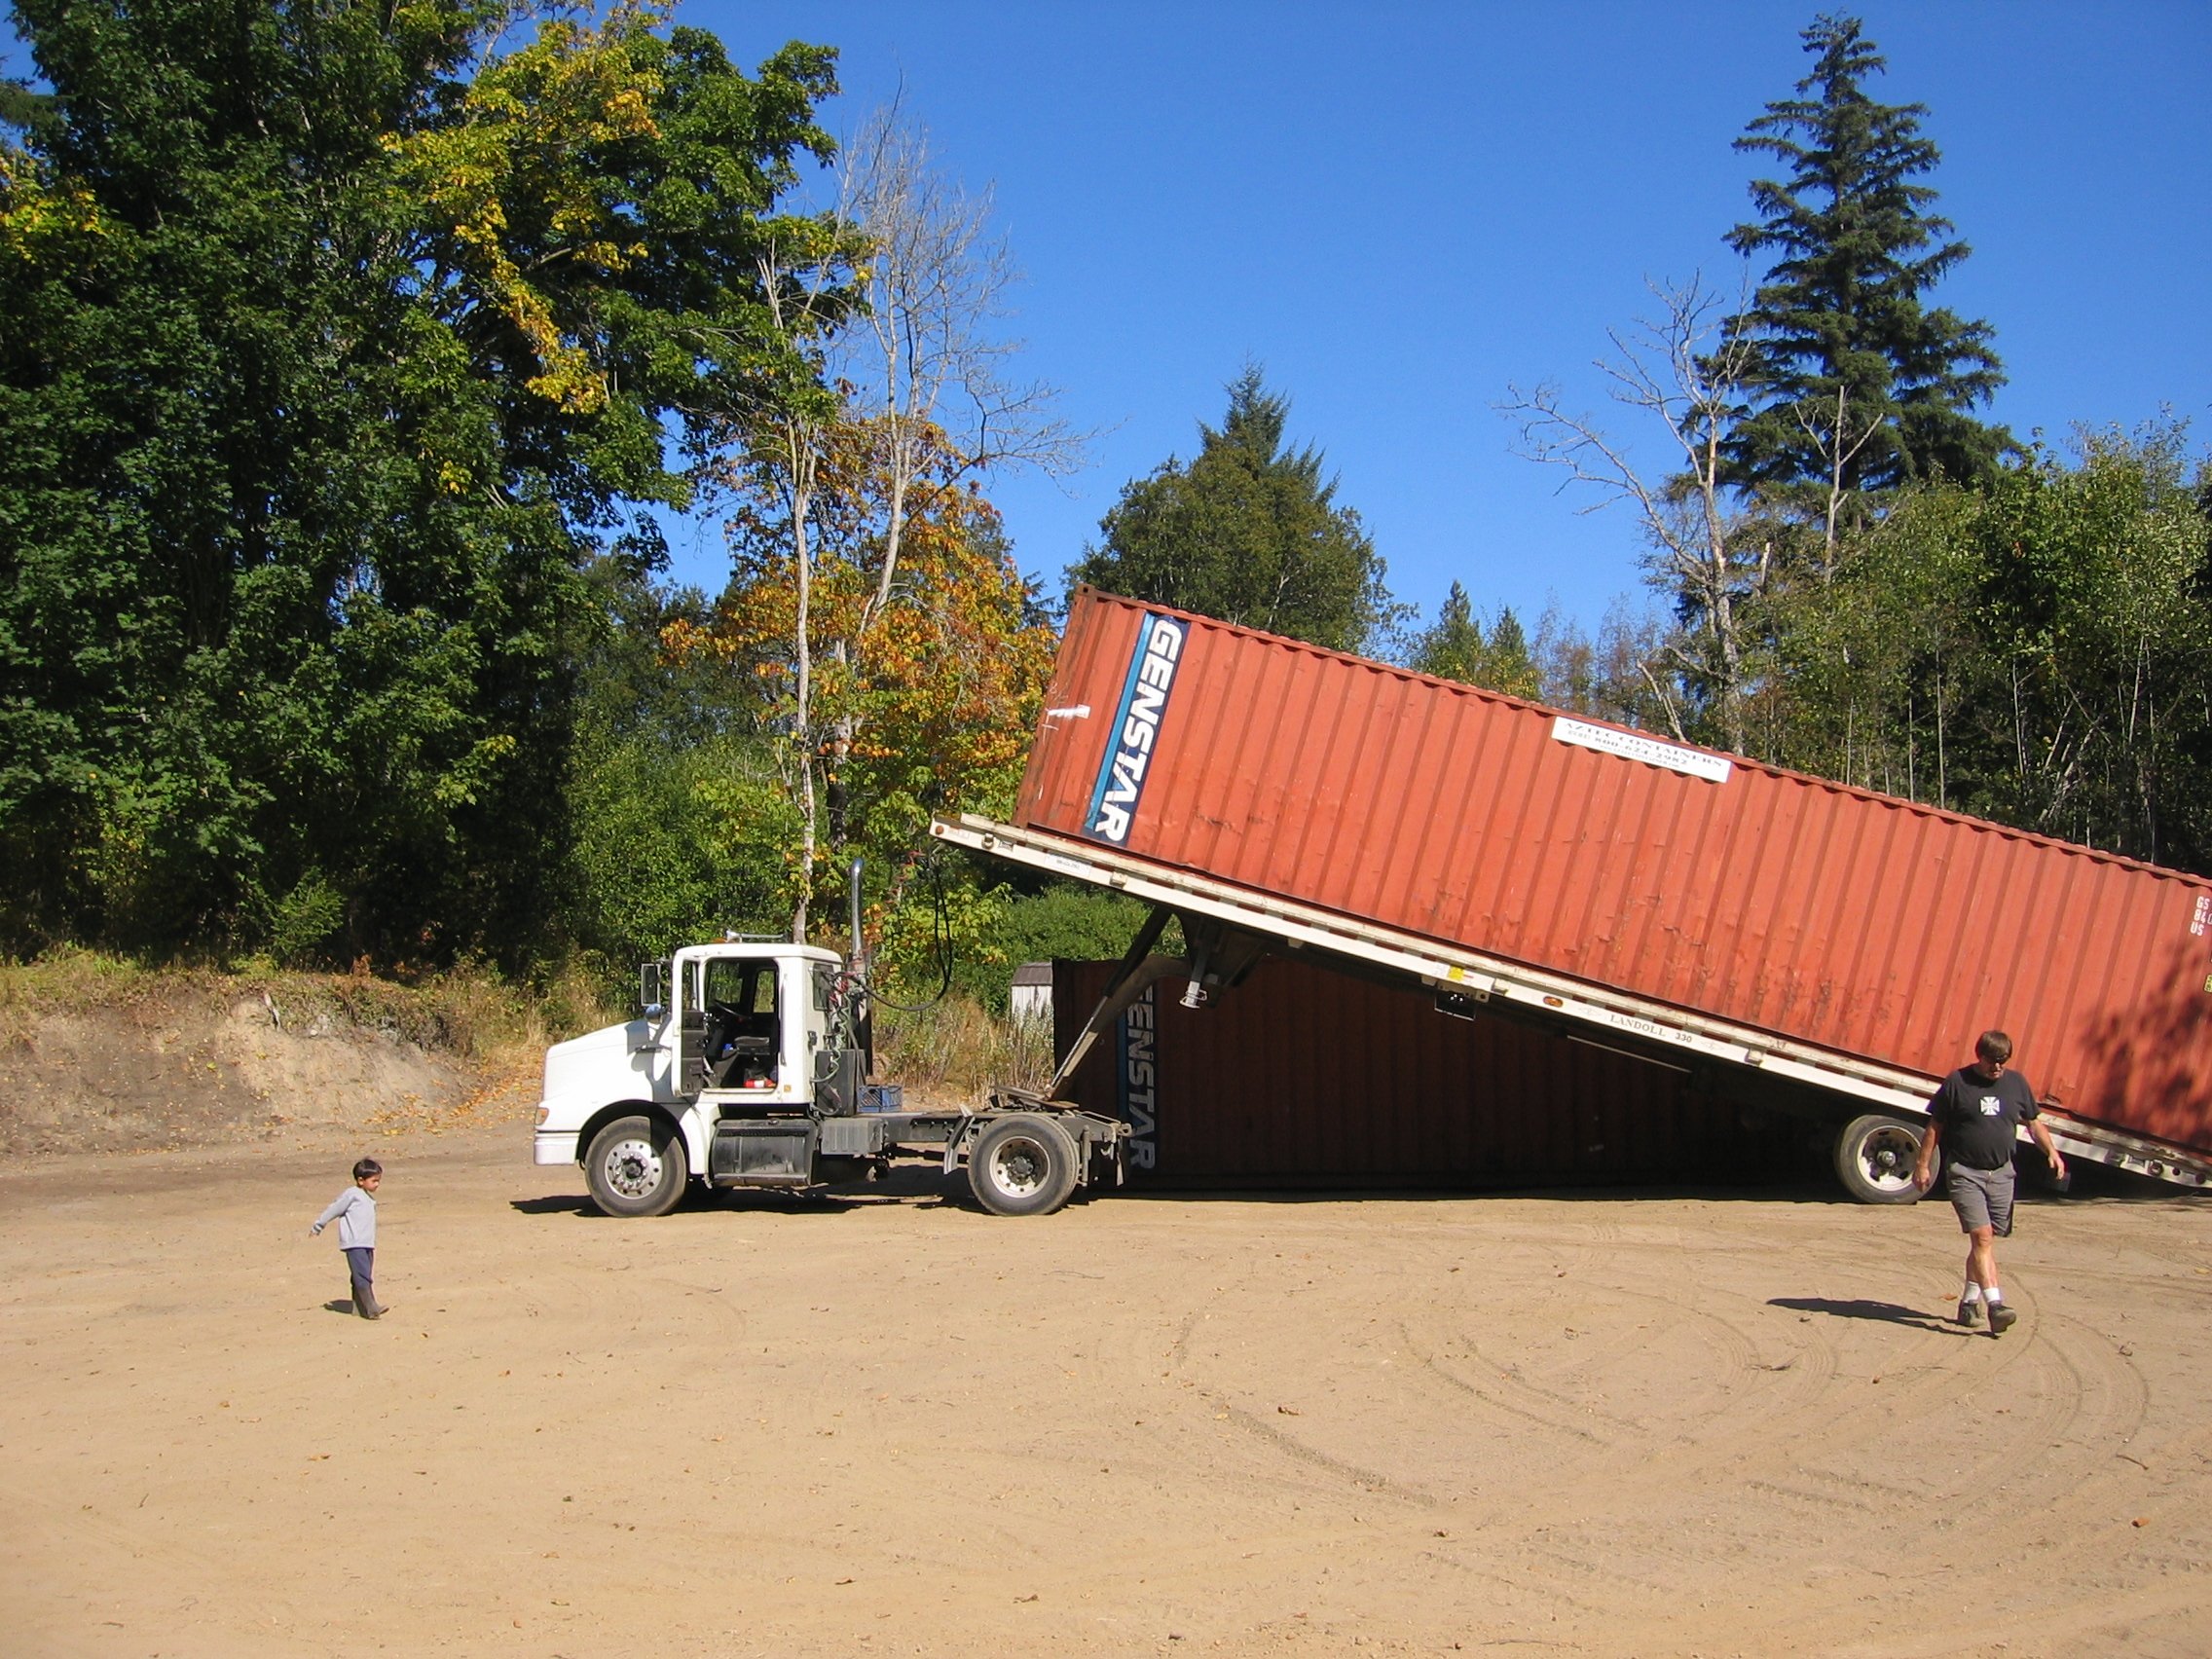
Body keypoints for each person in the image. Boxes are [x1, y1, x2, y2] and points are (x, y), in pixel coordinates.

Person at [1912, 1031, 2065, 1335]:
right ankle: (1996, 1305)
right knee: (1982, 1237)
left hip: (2002, 1174)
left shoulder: (2016, 1083)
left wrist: (2052, 1152)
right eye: (1993, 1061)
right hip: (1966, 1172)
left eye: (2003, 1062)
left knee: (1986, 1240)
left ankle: (1969, 1301)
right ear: (1979, 1056)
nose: (1998, 1068)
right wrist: (1922, 1164)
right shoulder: (1958, 1082)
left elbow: (2034, 1123)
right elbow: (1935, 1126)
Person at [311, 1158, 387, 1319]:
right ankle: (371, 1308)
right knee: (363, 1275)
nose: (377, 1184)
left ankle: (359, 1308)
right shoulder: (352, 1195)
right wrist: (319, 1225)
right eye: (374, 1181)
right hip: (354, 1243)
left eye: (378, 1181)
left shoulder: (367, 1197)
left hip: (367, 1243)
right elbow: (334, 1209)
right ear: (360, 1180)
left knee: (360, 1274)